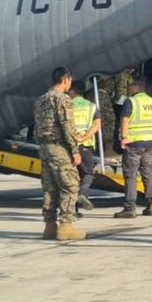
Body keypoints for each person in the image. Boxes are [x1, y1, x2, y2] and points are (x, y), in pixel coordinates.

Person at [33, 66, 85, 241]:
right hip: (59, 148)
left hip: (44, 148)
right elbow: (67, 127)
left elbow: (37, 127)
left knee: (49, 188)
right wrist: (75, 150)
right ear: (65, 80)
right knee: (69, 185)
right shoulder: (63, 99)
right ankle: (66, 226)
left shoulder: (40, 100)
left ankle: (49, 226)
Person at [114, 79, 152, 218]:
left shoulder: (131, 101)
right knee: (147, 173)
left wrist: (124, 137)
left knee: (130, 175)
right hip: (149, 143)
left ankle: (129, 207)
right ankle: (151, 203)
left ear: (137, 87)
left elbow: (124, 119)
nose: (129, 89)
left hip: (133, 143)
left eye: (131, 86)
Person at [68, 81, 100, 213]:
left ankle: (73, 210)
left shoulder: (67, 105)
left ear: (72, 91)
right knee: (87, 173)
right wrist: (84, 137)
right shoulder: (91, 106)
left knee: (72, 176)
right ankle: (83, 193)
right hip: (85, 145)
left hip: (70, 145)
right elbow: (97, 125)